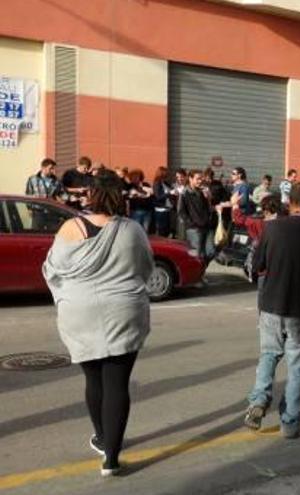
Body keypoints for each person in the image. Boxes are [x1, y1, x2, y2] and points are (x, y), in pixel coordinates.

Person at [42, 170, 153, 477]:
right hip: (124, 309)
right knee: (117, 383)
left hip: (80, 312)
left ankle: (103, 439)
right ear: (120, 196)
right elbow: (146, 267)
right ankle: (112, 460)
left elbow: (53, 268)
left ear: (90, 195)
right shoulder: (132, 229)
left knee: (94, 380)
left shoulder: (69, 227)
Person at [243, 182, 300, 438]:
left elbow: (259, 265)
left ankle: (259, 400)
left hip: (270, 305)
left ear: (289, 201)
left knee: (269, 354)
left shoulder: (271, 228)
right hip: (299, 307)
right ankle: (289, 422)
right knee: (297, 365)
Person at [178, 170, 215, 262]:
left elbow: (209, 209)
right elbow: (181, 212)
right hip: (194, 228)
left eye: (201, 179)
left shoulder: (203, 191)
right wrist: (191, 223)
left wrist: (209, 199)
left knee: (211, 252)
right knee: (197, 255)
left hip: (207, 226)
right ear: (190, 179)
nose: (201, 181)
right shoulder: (185, 193)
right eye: (198, 179)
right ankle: (197, 274)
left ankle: (201, 270)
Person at [152, 167, 174, 238]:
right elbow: (158, 196)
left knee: (167, 230)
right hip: (160, 210)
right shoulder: (157, 183)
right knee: (161, 230)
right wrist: (169, 193)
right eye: (166, 173)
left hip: (167, 209)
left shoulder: (165, 183)